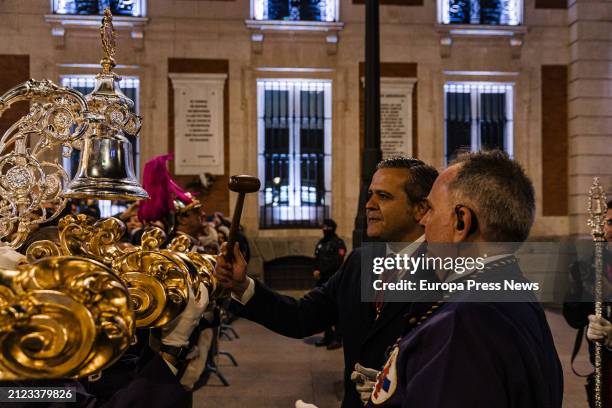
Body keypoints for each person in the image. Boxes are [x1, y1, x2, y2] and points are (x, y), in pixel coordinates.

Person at [215, 156, 438, 408]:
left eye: (384, 197)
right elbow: (301, 317)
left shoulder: (444, 273)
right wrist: (242, 285)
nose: (369, 205)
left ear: (421, 209)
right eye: (370, 195)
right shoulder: (361, 262)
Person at [362, 150, 563, 407]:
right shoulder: (510, 288)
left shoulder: (465, 321)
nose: (423, 221)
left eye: (431, 209)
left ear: (461, 222)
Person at [564, 199, 612, 407]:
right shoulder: (593, 264)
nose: (609, 229)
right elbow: (574, 318)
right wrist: (580, 289)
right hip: (604, 371)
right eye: (608, 223)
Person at [313, 218, 346, 349]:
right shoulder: (321, 243)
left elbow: (337, 261)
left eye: (327, 227)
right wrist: (315, 269)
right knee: (323, 308)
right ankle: (328, 336)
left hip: (333, 280)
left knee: (336, 309)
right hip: (321, 281)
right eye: (323, 226)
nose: (324, 229)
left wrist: (321, 270)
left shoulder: (338, 243)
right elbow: (316, 258)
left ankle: (338, 338)